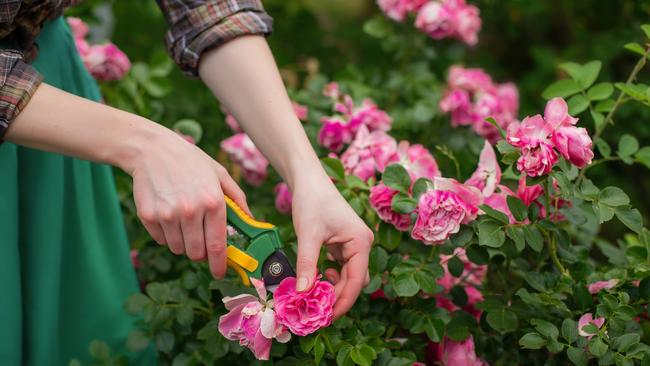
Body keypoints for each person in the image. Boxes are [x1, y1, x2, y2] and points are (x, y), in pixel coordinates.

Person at [0, 0, 373, 364]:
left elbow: (209, 8)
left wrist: (307, 174)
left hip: (57, 113)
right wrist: (144, 145)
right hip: (43, 117)